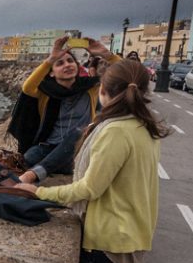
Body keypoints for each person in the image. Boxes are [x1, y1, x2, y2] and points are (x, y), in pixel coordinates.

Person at [15, 59, 170, 263]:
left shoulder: (115, 131)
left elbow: (88, 188)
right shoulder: (144, 125)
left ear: (104, 92)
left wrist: (40, 192)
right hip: (132, 229)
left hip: (111, 235)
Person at [7, 36, 119, 183]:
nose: (67, 65)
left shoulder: (90, 88)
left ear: (77, 66)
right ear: (51, 72)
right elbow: (27, 88)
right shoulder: (45, 91)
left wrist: (106, 55)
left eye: (70, 61)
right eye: (60, 63)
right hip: (48, 147)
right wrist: (50, 59)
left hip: (78, 150)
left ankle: (34, 174)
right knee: (25, 159)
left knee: (80, 132)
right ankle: (50, 167)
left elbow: (128, 75)